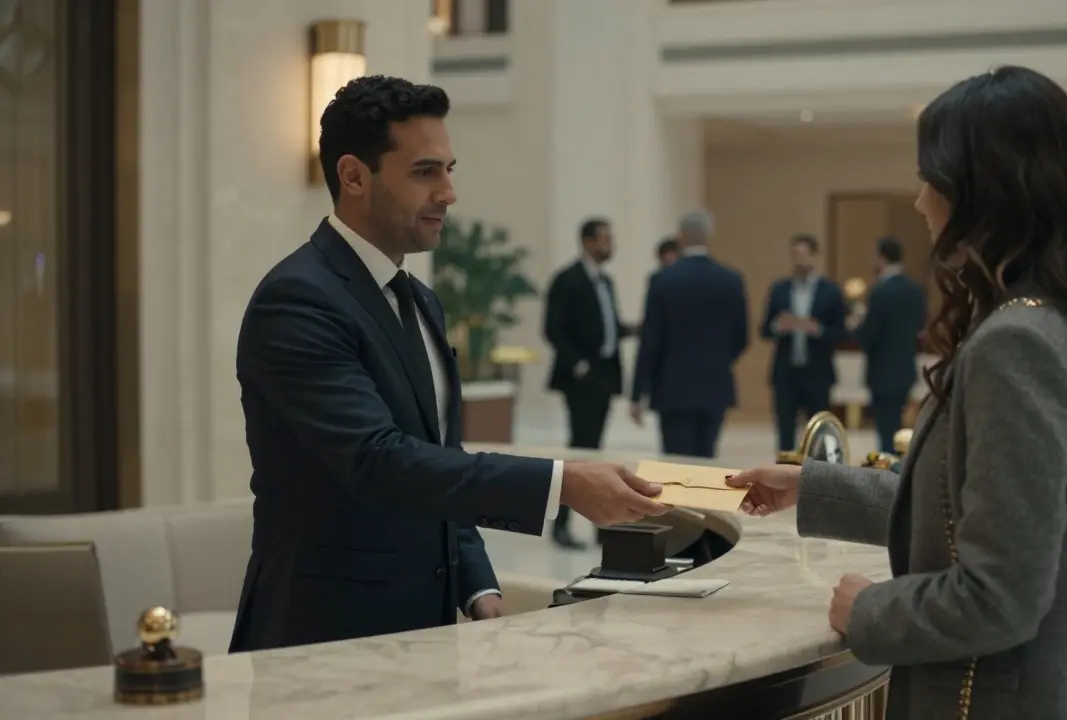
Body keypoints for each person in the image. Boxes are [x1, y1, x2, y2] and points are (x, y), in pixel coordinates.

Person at [728, 66, 1067, 720]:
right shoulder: (1066, 319)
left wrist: (871, 609)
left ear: (983, 191)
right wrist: (814, 486)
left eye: (927, 179)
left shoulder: (1016, 345)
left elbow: (1001, 596)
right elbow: (971, 511)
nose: (918, 201)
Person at [229, 76, 665, 652]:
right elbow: (378, 460)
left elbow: (440, 463)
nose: (449, 193)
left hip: (424, 631)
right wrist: (560, 484)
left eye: (449, 169)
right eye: (424, 172)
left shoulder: (420, 300)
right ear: (354, 176)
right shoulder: (298, 299)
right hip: (321, 634)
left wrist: (477, 582)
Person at [543, 218, 636, 549]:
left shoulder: (606, 282)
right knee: (580, 452)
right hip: (580, 378)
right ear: (587, 242)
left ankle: (600, 521)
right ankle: (562, 524)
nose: (611, 245)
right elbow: (553, 329)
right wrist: (578, 364)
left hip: (605, 376)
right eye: (605, 239)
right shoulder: (568, 280)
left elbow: (605, 327)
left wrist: (632, 329)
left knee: (595, 451)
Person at [630, 210, 749, 458]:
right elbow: (741, 338)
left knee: (676, 462)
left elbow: (651, 340)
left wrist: (637, 391)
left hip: (672, 386)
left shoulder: (663, 280)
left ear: (681, 236)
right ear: (709, 235)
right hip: (715, 384)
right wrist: (717, 360)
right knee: (707, 458)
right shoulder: (731, 280)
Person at [759, 234, 847, 452]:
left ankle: (816, 475)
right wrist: (779, 326)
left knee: (817, 431)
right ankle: (782, 473)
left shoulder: (830, 291)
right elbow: (764, 330)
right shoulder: (780, 289)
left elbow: (842, 332)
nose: (799, 260)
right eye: (795, 254)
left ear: (814, 257)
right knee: (785, 429)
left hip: (817, 371)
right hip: (786, 371)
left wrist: (818, 330)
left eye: (804, 254)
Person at [851, 236, 926, 453]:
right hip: (905, 368)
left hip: (882, 371)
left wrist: (857, 325)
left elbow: (867, 335)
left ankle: (889, 478)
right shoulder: (915, 290)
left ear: (881, 258)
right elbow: (920, 325)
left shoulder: (880, 291)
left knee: (886, 434)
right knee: (900, 430)